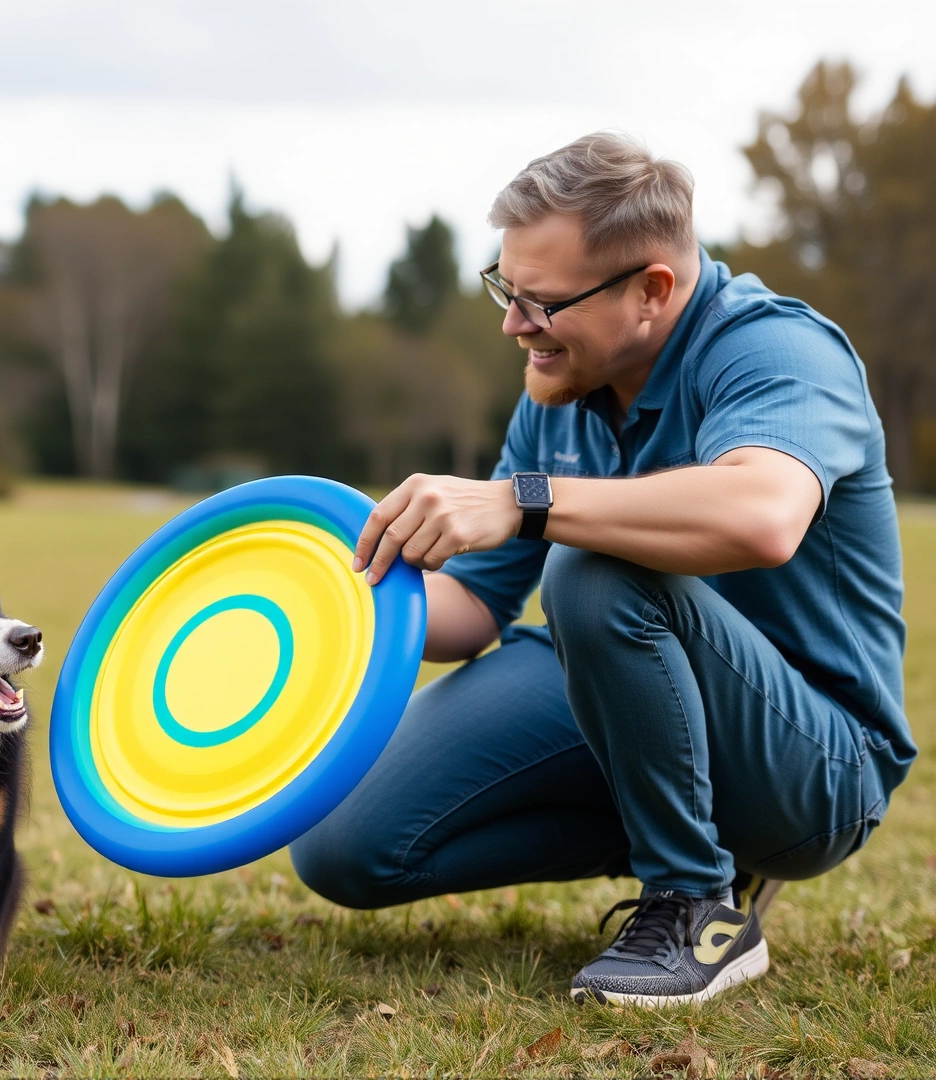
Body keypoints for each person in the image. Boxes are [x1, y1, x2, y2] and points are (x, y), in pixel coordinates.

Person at [289, 132, 910, 1007]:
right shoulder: (562, 379)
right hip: (615, 683)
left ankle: (698, 906)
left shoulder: (777, 352)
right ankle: (687, 837)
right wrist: (334, 605)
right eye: (504, 289)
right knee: (347, 846)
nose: (512, 324)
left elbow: (763, 515)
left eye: (540, 303)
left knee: (591, 567)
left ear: (653, 290)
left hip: (814, 760)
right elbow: (473, 601)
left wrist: (525, 499)